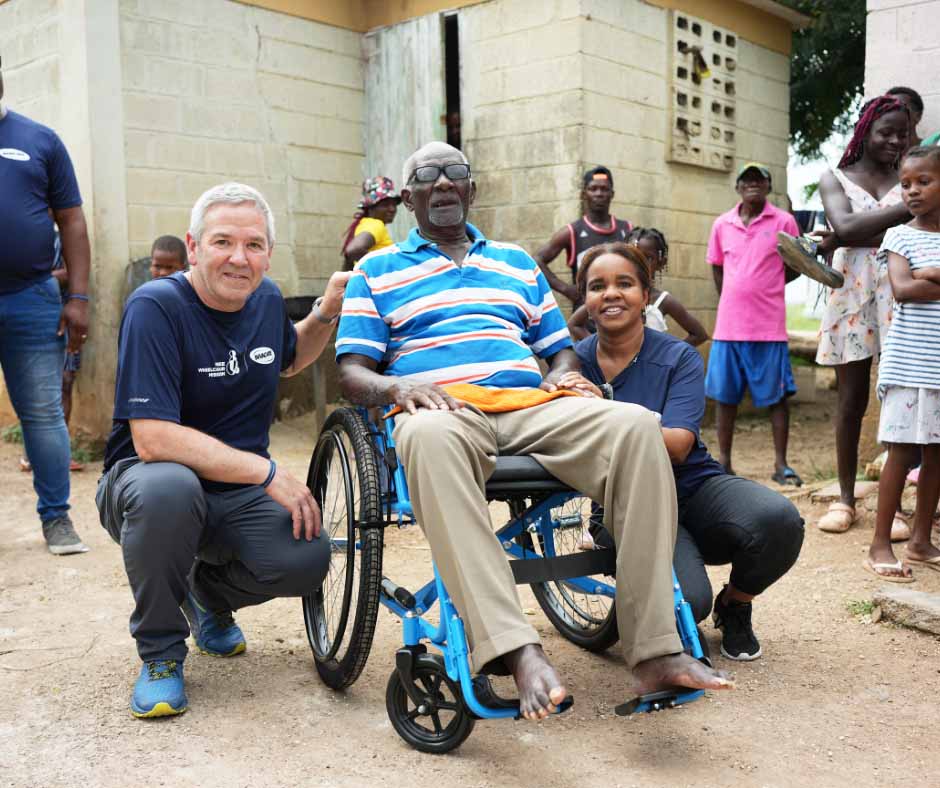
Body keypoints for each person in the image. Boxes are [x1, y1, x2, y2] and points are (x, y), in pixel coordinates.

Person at [336, 141, 733, 722]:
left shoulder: (517, 264)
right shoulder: (377, 268)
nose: (443, 183)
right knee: (425, 437)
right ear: (408, 196)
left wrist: (570, 377)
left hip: (530, 404)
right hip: (442, 407)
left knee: (637, 426)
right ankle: (516, 651)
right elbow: (352, 371)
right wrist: (397, 390)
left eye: (455, 174)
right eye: (427, 175)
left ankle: (654, 650)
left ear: (471, 190)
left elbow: (559, 352)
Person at [95, 183, 351, 718]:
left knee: (307, 557)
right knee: (170, 485)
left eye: (254, 245)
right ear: (193, 247)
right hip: (147, 484)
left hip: (233, 491)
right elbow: (153, 439)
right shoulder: (156, 307)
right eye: (223, 242)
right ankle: (162, 654)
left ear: (268, 254)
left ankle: (205, 592)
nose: (240, 257)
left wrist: (327, 311)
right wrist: (265, 471)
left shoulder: (264, 300)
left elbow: (285, 358)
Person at [573, 243, 803, 660]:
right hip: (627, 503)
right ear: (585, 301)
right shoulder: (573, 364)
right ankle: (688, 584)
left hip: (695, 485)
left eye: (624, 283)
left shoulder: (678, 356)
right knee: (687, 605)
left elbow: (678, 445)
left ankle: (735, 604)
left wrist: (599, 415)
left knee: (779, 521)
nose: (610, 294)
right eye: (597, 286)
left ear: (646, 295)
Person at [0, 61, 91, 555]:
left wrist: (77, 297)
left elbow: (72, 222)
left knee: (42, 412)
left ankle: (57, 519)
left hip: (32, 296)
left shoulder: (39, 140)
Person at [814, 96, 913, 534]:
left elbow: (850, 230)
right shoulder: (834, 177)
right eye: (885, 131)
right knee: (851, 400)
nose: (894, 140)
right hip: (851, 294)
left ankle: (891, 508)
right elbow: (848, 227)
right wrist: (910, 207)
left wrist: (847, 232)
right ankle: (846, 499)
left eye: (902, 133)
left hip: (901, 291)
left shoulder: (910, 176)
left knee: (898, 398)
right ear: (865, 130)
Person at [866, 146, 940, 581]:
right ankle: (879, 543)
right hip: (910, 363)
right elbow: (903, 289)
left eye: (923, 182)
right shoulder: (900, 236)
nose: (912, 191)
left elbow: (918, 282)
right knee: (900, 452)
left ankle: (919, 541)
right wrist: (922, 278)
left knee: (937, 455)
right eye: (906, 184)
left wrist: (929, 273)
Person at [704, 162, 803, 486]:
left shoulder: (784, 221)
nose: (752, 185)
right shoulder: (722, 224)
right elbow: (718, 267)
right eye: (746, 180)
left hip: (768, 327)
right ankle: (725, 462)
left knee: (777, 398)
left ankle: (781, 465)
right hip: (728, 328)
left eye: (759, 180)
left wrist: (768, 284)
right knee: (725, 397)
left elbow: (797, 265)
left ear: (768, 186)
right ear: (738, 188)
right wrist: (732, 296)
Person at [567, 227, 708, 346]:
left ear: (661, 262)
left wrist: (667, 355)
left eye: (647, 258)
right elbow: (574, 324)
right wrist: (598, 349)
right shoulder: (610, 297)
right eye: (631, 257)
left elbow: (699, 334)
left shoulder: (663, 300)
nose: (638, 263)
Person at [533, 166, 632, 304]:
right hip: (585, 318)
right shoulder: (572, 231)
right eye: (593, 189)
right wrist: (566, 289)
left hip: (621, 308)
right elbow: (536, 260)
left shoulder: (627, 229)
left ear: (612, 194)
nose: (599, 193)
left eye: (604, 189)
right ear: (584, 194)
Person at [341, 176, 401, 270]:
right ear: (370, 207)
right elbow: (353, 250)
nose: (392, 209)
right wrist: (389, 269)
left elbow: (348, 261)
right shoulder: (375, 225)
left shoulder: (363, 224)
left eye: (394, 204)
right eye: (385, 204)